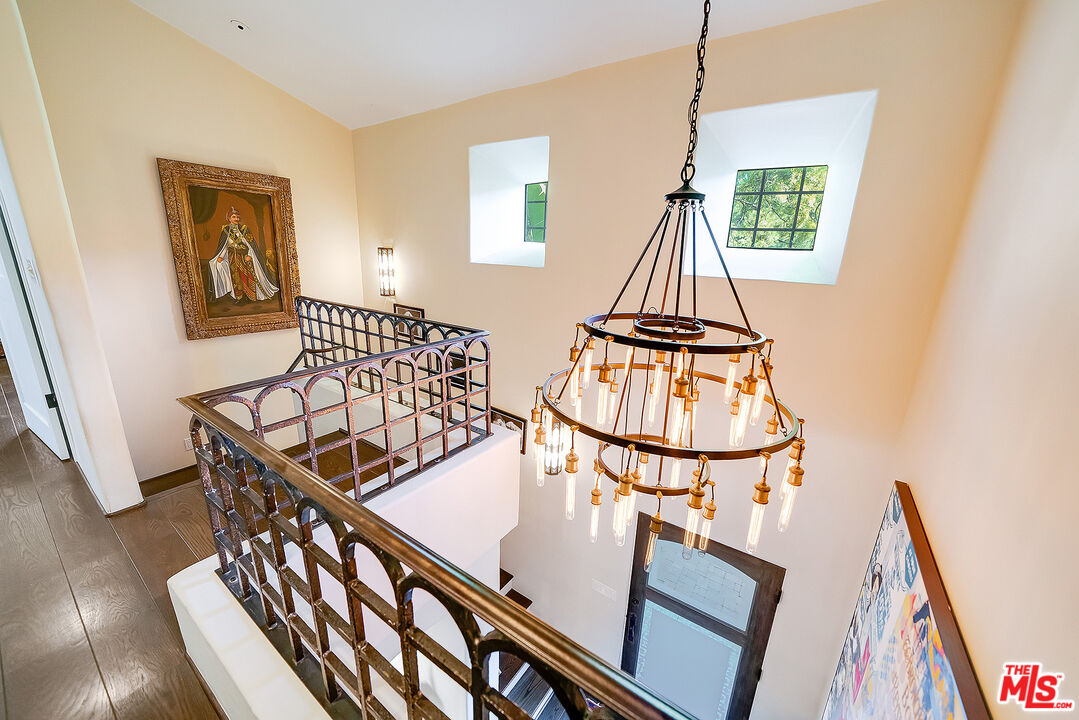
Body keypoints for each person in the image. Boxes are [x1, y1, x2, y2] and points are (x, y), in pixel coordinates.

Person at [208, 206, 279, 302]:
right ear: (229, 218)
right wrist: (220, 257)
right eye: (233, 217)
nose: (236, 219)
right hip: (232, 257)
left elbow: (250, 245)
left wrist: (249, 255)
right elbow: (224, 246)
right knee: (235, 277)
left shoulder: (244, 229)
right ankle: (239, 297)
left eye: (237, 217)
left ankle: (250, 296)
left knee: (246, 275)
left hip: (244, 256)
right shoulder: (225, 231)